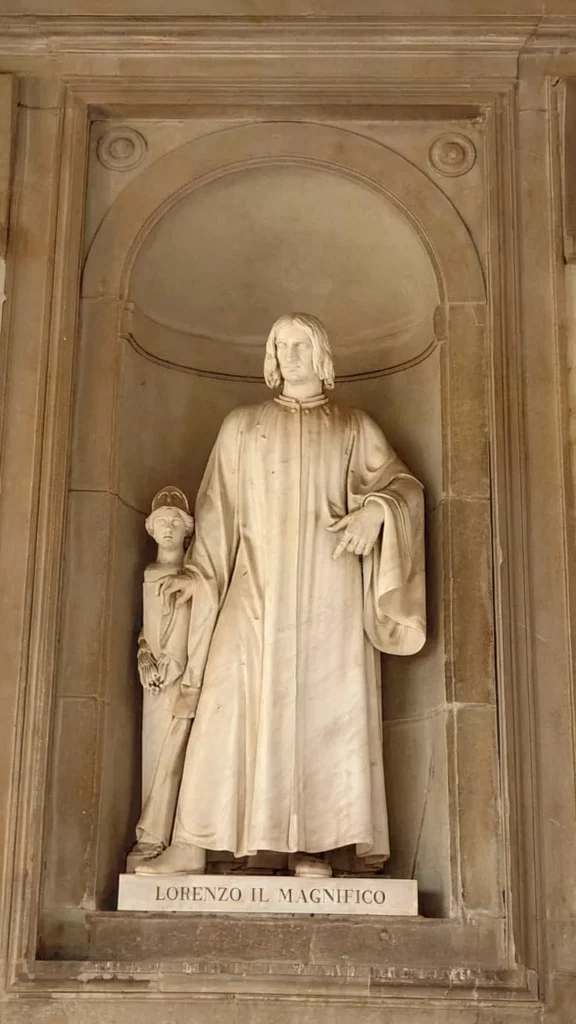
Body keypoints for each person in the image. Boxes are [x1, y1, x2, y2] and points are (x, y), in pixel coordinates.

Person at [136, 313, 426, 878]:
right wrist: (200, 575)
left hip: (329, 593)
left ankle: (312, 843)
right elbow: (217, 514)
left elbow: (404, 486)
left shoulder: (353, 427)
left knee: (321, 712)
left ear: (322, 354)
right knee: (223, 704)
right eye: (280, 345)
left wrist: (376, 510)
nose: (289, 355)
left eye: (300, 345)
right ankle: (193, 841)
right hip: (254, 586)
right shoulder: (241, 426)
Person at [127, 487, 194, 871]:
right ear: (150, 529)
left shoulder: (193, 577)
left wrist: (171, 664)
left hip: (178, 677)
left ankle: (164, 835)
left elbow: (188, 627)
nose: (168, 528)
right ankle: (151, 836)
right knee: (154, 753)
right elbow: (148, 627)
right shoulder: (151, 573)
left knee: (176, 753)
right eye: (162, 522)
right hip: (152, 680)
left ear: (187, 529)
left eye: (175, 522)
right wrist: (143, 653)